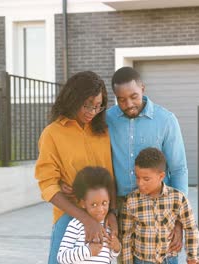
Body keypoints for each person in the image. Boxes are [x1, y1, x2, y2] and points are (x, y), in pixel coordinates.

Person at [34, 71, 117, 264]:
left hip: (102, 216)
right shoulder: (52, 134)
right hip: (68, 216)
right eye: (87, 105)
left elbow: (109, 175)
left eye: (98, 106)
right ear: (73, 99)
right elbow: (48, 186)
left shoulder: (102, 131)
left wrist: (112, 211)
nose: (92, 112)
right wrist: (86, 220)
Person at [106, 66, 188, 258]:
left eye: (133, 96)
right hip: (120, 208)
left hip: (159, 208)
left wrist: (179, 219)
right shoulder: (107, 119)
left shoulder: (166, 120)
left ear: (143, 88)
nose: (128, 104)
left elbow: (178, 169)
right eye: (121, 99)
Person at [122, 148, 199, 264]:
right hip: (141, 261)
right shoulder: (131, 201)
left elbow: (191, 228)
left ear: (161, 176)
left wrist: (192, 257)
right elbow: (126, 236)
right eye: (137, 177)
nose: (140, 183)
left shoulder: (178, 198)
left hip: (169, 260)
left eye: (146, 179)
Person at [57, 166, 121, 264]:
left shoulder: (108, 226)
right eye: (94, 205)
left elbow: (108, 256)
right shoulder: (76, 225)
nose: (100, 209)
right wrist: (88, 251)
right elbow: (62, 257)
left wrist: (116, 248)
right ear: (83, 203)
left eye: (104, 203)